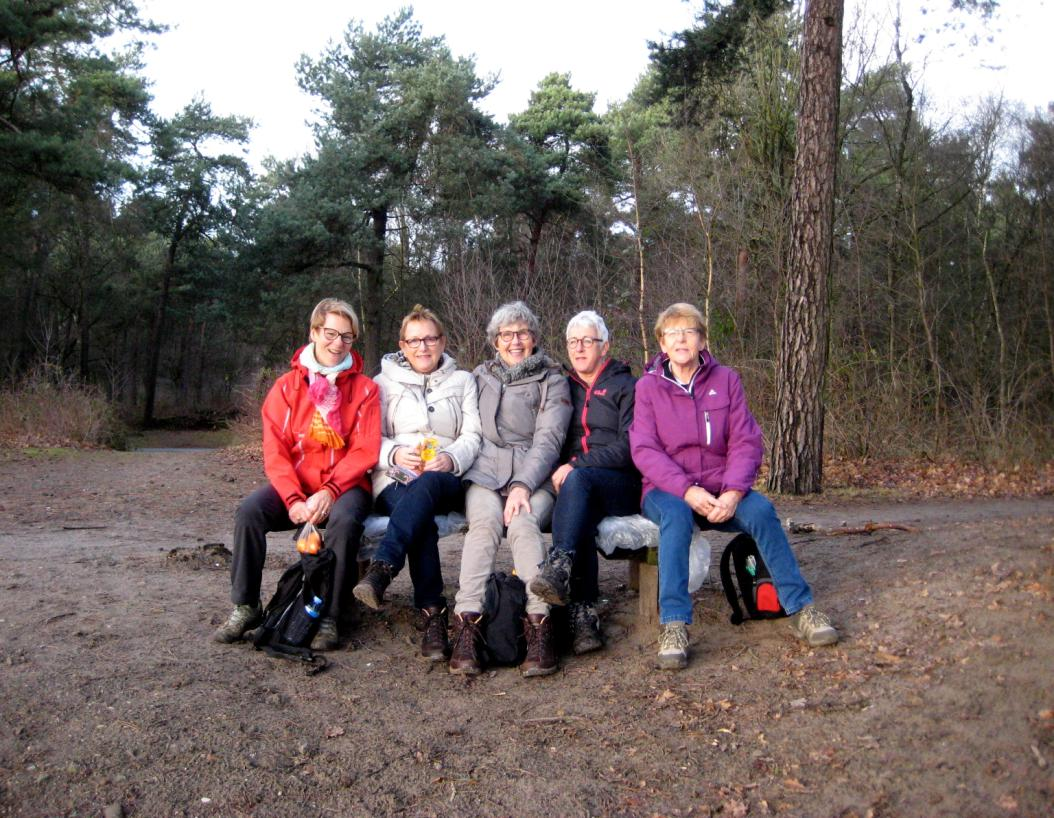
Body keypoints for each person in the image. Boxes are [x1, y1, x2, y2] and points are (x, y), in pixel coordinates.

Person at [629, 302, 838, 670]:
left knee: (761, 511)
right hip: (668, 492)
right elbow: (645, 450)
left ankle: (802, 608)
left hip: (722, 487)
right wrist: (686, 490)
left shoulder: (726, 380)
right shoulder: (647, 388)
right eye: (673, 332)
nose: (681, 339)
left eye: (689, 331)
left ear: (702, 340)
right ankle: (674, 623)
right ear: (661, 344)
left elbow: (746, 441)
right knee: (676, 518)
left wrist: (734, 491)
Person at [213, 298, 380, 651]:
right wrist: (292, 498)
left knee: (345, 521)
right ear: (314, 332)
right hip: (298, 484)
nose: (338, 344)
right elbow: (276, 451)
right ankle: (246, 606)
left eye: (347, 337)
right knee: (249, 511)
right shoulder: (286, 387)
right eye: (331, 333)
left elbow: (365, 450)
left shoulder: (365, 389)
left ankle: (330, 615)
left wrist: (331, 491)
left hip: (346, 486)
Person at [352, 305, 482, 661]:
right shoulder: (381, 383)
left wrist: (451, 458)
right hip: (395, 478)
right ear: (402, 345)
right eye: (414, 341)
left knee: (426, 489)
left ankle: (384, 567)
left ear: (442, 341)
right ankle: (432, 615)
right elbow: (368, 438)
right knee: (417, 512)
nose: (423, 347)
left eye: (430, 339)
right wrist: (393, 454)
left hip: (446, 478)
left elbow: (474, 435)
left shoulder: (464, 381)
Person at [450, 301, 572, 677]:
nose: (514, 341)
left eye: (522, 333)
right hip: (485, 473)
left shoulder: (552, 378)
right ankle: (467, 625)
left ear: (534, 338)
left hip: (534, 476)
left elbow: (549, 440)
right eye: (506, 334)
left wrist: (522, 484)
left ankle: (539, 625)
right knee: (484, 525)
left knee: (522, 524)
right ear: (495, 341)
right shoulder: (479, 376)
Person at [530, 310, 640, 655]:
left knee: (579, 483)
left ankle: (560, 564)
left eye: (587, 341)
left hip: (622, 484)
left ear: (604, 346)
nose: (579, 348)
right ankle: (583, 615)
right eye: (572, 342)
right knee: (581, 506)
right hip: (578, 488)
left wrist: (577, 465)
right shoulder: (562, 386)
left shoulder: (627, 386)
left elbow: (629, 448)